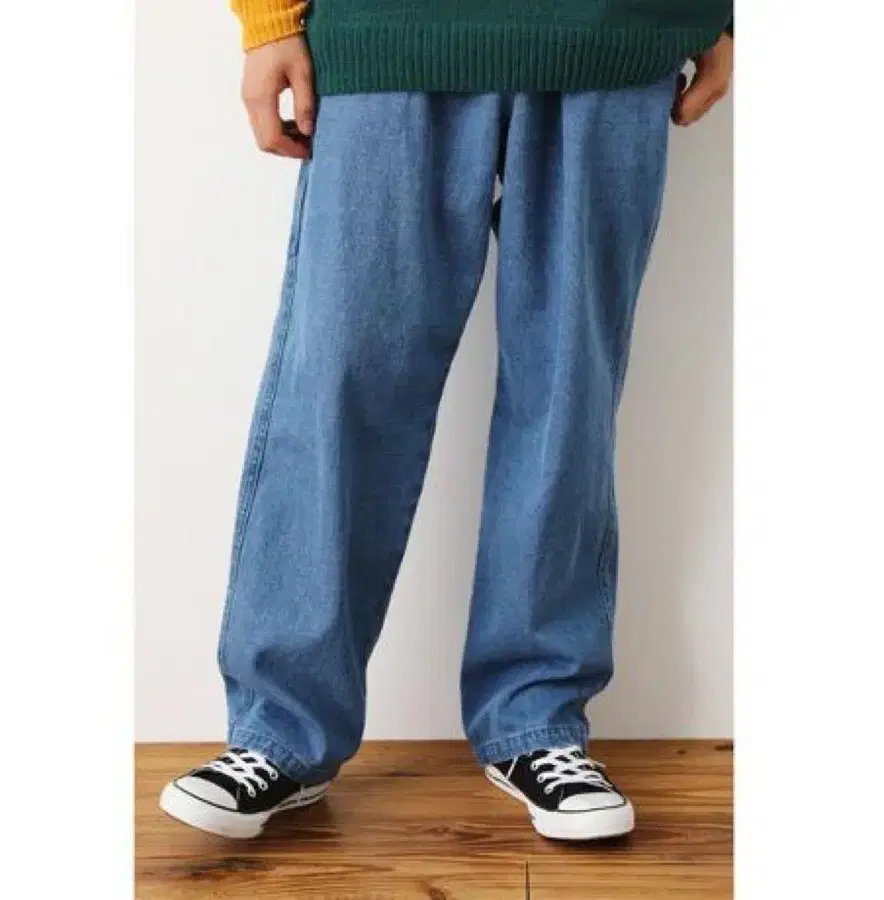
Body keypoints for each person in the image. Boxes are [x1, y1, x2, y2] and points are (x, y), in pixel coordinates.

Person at [158, 0, 734, 841]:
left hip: (617, 29)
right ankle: (280, 730)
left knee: (569, 392)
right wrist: (269, 19)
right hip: (387, 29)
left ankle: (537, 718)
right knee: (338, 384)